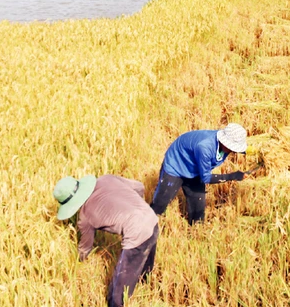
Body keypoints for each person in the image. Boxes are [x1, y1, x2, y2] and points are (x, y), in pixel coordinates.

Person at [53, 174, 158, 307]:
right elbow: (139, 187)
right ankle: (146, 286)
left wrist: (78, 262)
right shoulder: (106, 179)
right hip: (151, 218)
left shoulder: (85, 217)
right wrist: (135, 208)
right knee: (144, 264)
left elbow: (85, 248)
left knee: (117, 293)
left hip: (137, 233)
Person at [150, 123, 248, 224]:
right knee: (160, 205)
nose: (234, 151)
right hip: (176, 165)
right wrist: (232, 176)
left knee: (198, 210)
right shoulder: (205, 147)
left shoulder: (225, 147)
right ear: (225, 142)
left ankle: (195, 231)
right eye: (233, 148)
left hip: (196, 168)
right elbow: (206, 178)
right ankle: (146, 227)